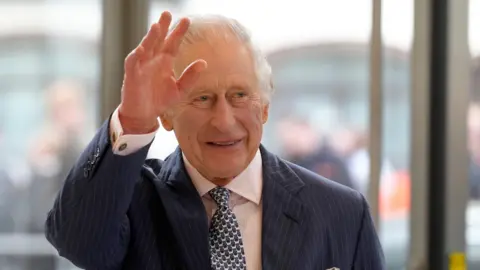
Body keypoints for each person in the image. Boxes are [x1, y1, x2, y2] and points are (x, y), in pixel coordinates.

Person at [45, 11, 385, 270]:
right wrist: (133, 120)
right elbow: (78, 240)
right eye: (202, 98)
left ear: (265, 107)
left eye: (239, 95)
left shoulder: (342, 213)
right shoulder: (134, 205)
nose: (224, 121)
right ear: (166, 114)